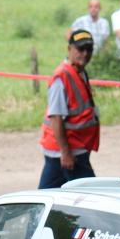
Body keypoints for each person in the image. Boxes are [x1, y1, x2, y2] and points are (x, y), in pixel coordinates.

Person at [38, 30, 100, 189]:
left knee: (48, 195)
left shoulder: (79, 72)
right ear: (69, 49)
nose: (85, 54)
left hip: (68, 150)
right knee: (94, 196)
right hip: (69, 152)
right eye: (80, 49)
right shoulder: (62, 77)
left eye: (89, 49)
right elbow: (56, 117)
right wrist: (65, 153)